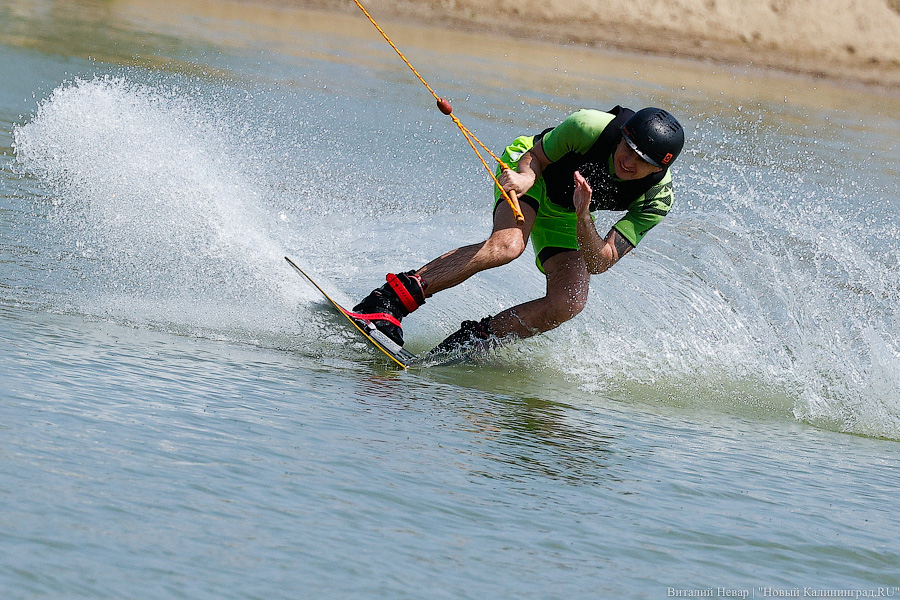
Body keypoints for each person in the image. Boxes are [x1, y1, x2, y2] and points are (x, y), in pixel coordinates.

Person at [352, 105, 685, 354]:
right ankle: (387, 302)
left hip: (572, 211)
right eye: (628, 149)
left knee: (569, 301)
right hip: (533, 177)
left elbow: (601, 261)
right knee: (508, 245)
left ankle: (471, 343)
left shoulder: (657, 198)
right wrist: (526, 176)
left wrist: (583, 215)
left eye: (642, 162)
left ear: (661, 167)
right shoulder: (589, 126)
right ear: (623, 135)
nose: (628, 162)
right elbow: (535, 157)